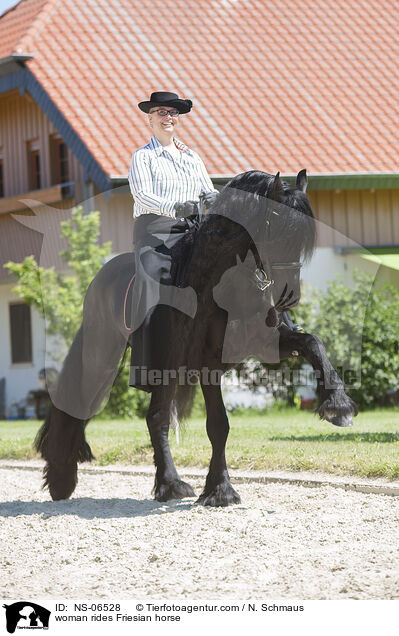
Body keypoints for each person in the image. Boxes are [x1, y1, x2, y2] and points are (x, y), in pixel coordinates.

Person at [128, 91, 219, 389]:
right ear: (149, 118)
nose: (168, 117)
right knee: (150, 276)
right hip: (156, 230)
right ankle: (148, 363)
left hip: (193, 229)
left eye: (173, 112)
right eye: (162, 112)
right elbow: (142, 195)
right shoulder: (142, 156)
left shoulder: (193, 158)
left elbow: (208, 193)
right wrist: (174, 207)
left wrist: (221, 202)